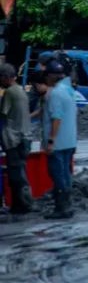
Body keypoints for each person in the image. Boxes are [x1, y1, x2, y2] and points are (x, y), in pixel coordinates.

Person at [30, 59, 78, 219]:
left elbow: (56, 118)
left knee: (57, 175)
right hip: (69, 141)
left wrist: (51, 141)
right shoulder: (68, 90)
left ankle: (61, 208)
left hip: (58, 143)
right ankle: (67, 206)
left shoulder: (55, 94)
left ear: (50, 76)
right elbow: (47, 111)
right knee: (65, 174)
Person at [0, 63, 32, 214]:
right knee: (20, 170)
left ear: (6, 77)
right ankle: (22, 204)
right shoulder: (20, 90)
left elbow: (2, 114)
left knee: (15, 174)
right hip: (24, 137)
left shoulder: (10, 93)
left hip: (13, 139)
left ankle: (22, 205)